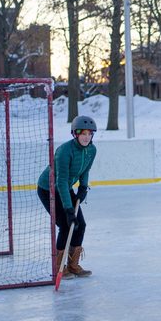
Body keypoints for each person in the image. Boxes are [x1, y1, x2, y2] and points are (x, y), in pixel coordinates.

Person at [36, 115, 98, 280]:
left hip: (66, 187)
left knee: (80, 224)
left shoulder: (92, 150)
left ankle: (73, 265)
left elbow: (85, 170)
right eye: (82, 133)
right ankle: (59, 266)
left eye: (89, 134)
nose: (86, 137)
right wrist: (68, 209)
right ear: (75, 134)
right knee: (65, 224)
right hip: (48, 188)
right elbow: (61, 181)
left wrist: (83, 187)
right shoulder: (64, 151)